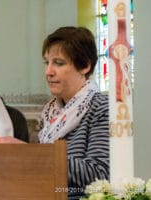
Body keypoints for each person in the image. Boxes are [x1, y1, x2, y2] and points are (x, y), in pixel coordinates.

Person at [38, 26, 109, 199]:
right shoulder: (49, 112)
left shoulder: (101, 106)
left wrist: (35, 158)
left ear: (84, 66)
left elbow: (99, 173)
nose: (48, 72)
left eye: (59, 63)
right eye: (47, 63)